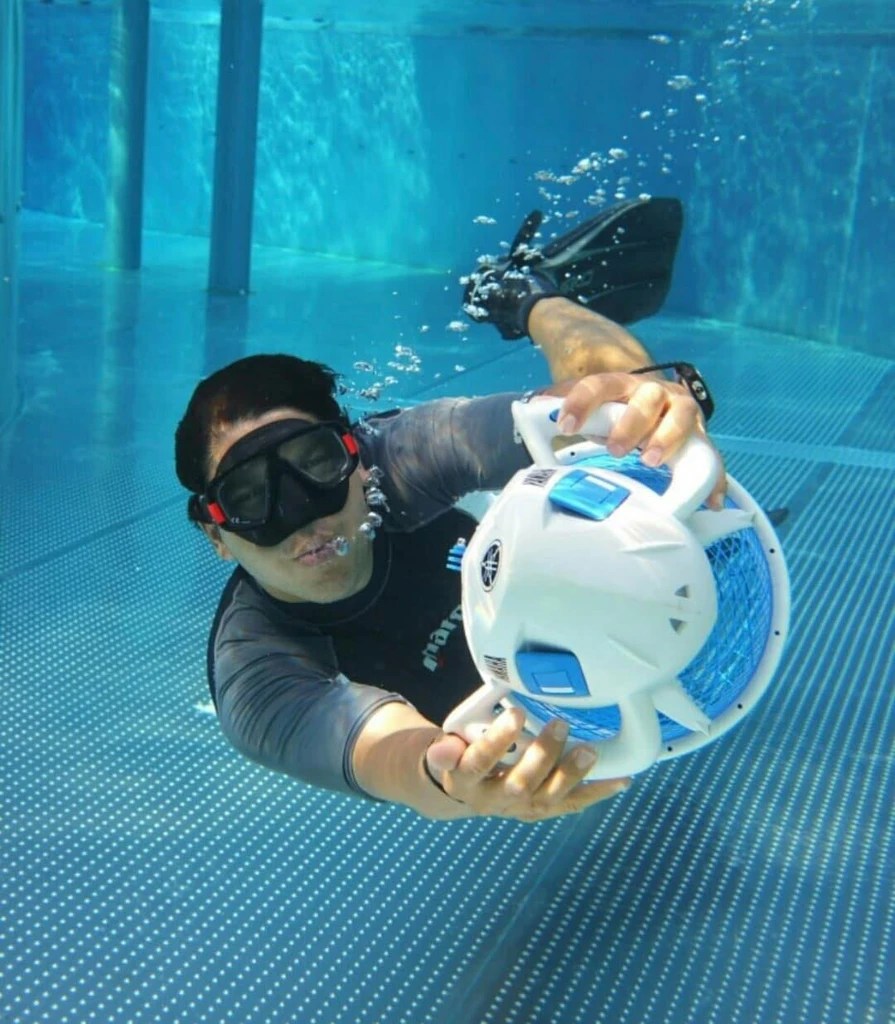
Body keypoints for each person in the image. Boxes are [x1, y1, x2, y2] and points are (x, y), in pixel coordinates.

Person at [174, 198, 725, 823]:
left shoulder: (400, 458)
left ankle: (526, 293)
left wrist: (649, 401)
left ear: (356, 457)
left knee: (609, 420)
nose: (301, 516)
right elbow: (390, 754)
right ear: (215, 535)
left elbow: (574, 415)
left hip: (569, 561)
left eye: (315, 464)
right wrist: (443, 776)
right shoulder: (255, 672)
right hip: (549, 674)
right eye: (251, 499)